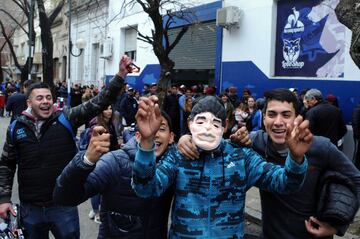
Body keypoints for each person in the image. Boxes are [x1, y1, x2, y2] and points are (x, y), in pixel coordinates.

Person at [179, 88, 360, 239]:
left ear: (297, 117)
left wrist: (338, 225)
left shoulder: (320, 147)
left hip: (312, 235)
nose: (278, 122)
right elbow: (217, 145)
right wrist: (187, 138)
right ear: (263, 118)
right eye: (271, 114)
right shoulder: (255, 142)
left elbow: (356, 179)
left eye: (286, 115)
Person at [132, 95, 312, 238]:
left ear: (225, 126)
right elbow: (145, 188)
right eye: (201, 122)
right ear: (190, 123)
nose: (208, 129)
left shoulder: (241, 156)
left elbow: (285, 183)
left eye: (216, 123)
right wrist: (147, 143)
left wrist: (296, 158)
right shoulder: (178, 156)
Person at [0, 55, 132, 239]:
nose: (45, 101)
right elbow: (6, 164)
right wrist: (4, 199)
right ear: (29, 103)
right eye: (39, 98)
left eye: (48, 97)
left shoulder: (66, 118)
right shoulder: (16, 127)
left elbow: (99, 102)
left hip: (63, 206)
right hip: (31, 208)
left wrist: (119, 76)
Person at [53, 111, 175, 239]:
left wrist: (188, 140)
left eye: (161, 128)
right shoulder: (114, 162)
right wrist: (86, 160)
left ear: (171, 137)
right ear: (138, 136)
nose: (153, 133)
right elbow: (64, 197)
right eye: (148, 128)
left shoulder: (175, 165)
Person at [86, 105, 119, 224]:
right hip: (98, 161)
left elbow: (114, 143)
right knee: (96, 189)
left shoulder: (110, 123)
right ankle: (96, 212)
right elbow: (95, 147)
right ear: (100, 111)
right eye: (106, 108)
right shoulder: (96, 125)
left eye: (111, 108)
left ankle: (96, 210)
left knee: (103, 188)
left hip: (108, 159)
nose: (109, 111)